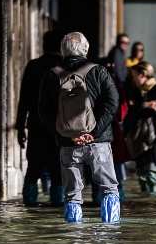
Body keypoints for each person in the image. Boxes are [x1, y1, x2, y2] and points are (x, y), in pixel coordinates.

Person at [38, 32, 121, 224]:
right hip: (98, 143)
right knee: (109, 189)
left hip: (68, 144)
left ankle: (73, 238)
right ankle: (109, 234)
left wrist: (65, 133)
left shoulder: (52, 75)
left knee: (72, 195)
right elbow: (113, 102)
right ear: (85, 49)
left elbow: (44, 111)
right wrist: (93, 132)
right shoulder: (99, 71)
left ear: (62, 50)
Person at [15, 28, 65, 207]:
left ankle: (29, 205)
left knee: (33, 168)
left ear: (44, 45)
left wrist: (20, 127)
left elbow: (24, 100)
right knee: (58, 171)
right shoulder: (66, 67)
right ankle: (57, 207)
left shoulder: (33, 66)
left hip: (36, 126)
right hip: (61, 128)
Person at [123, 62, 156, 195]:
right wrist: (144, 105)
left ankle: (153, 209)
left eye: (135, 76)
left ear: (143, 75)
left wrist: (139, 106)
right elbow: (132, 110)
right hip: (139, 140)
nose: (133, 79)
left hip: (155, 139)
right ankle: (145, 206)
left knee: (153, 177)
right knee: (142, 178)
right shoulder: (135, 90)